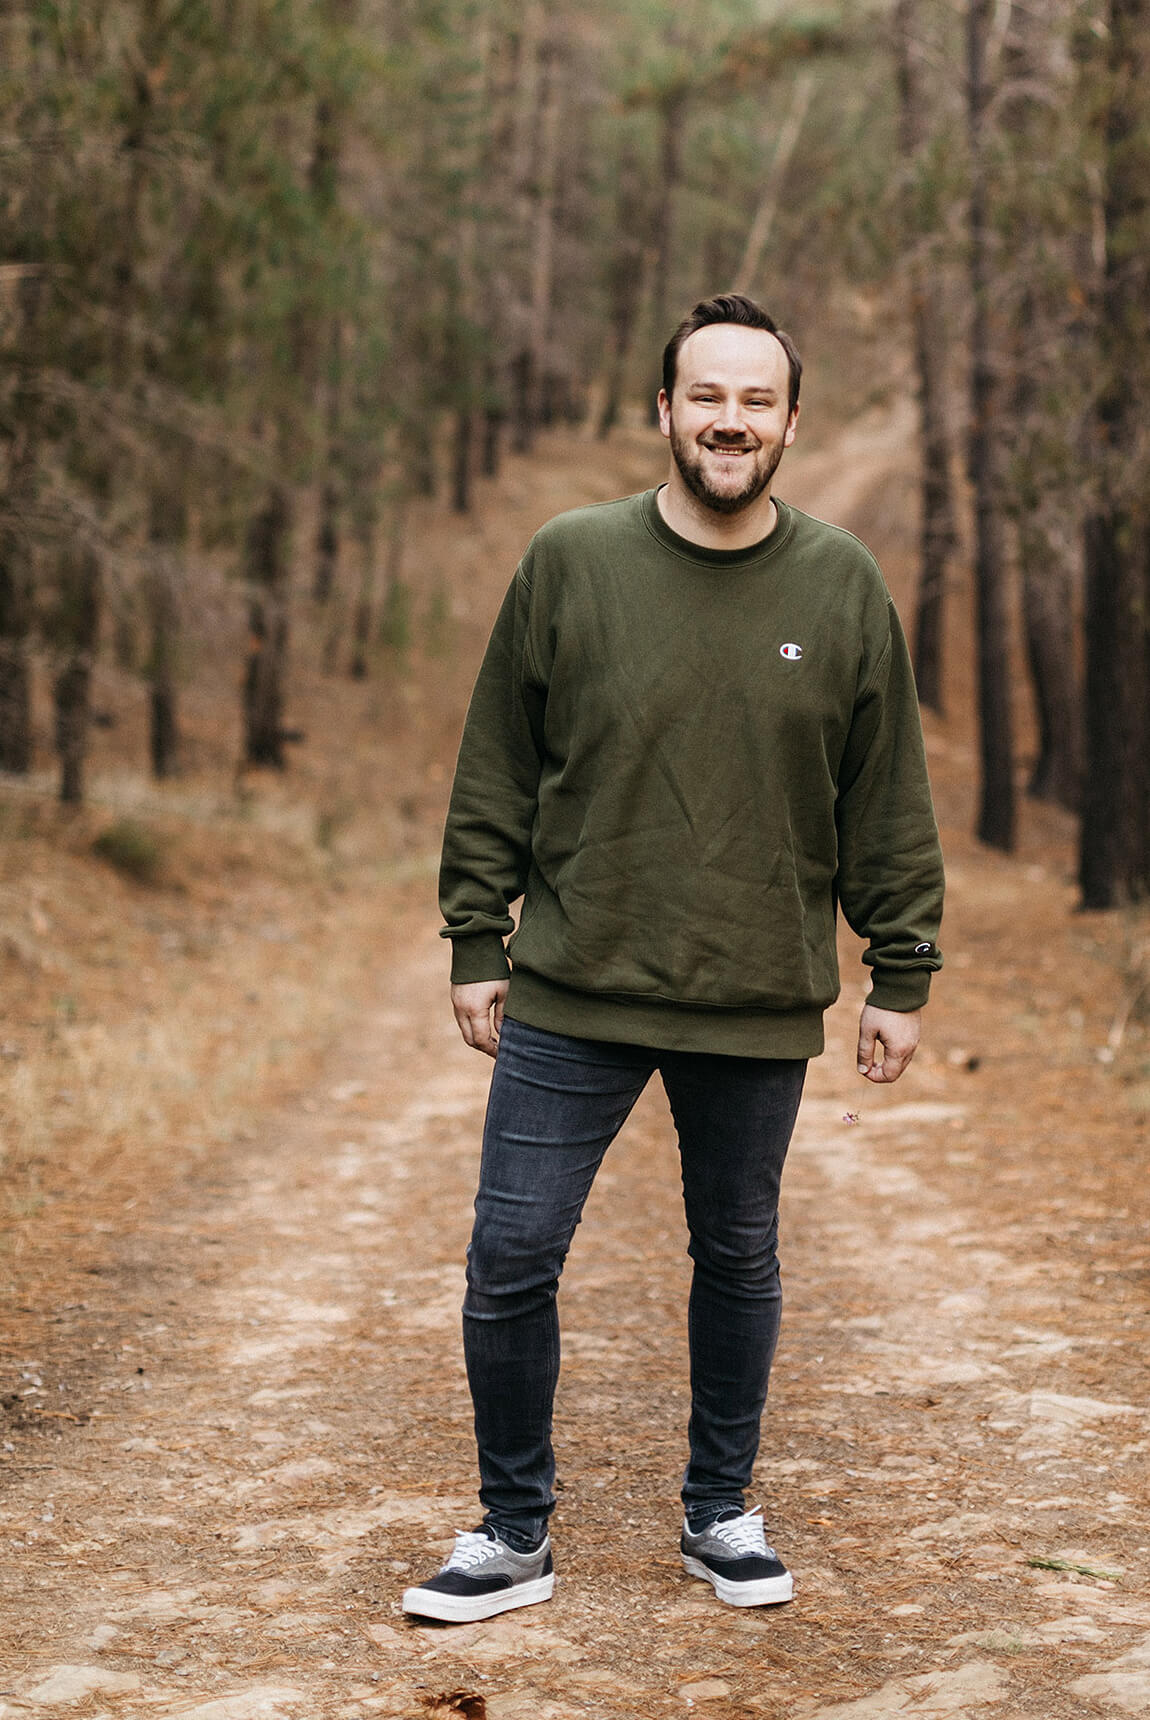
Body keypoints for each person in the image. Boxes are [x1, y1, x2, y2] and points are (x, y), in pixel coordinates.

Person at [402, 293, 944, 1624]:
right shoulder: (570, 561)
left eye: (755, 401)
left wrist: (902, 967)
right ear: (662, 411)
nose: (728, 420)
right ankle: (512, 1534)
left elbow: (884, 796)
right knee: (509, 1257)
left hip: (753, 995)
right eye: (706, 395)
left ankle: (720, 1514)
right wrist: (479, 934)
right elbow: (495, 768)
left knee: (738, 1257)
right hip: (572, 987)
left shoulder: (839, 584)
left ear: (790, 423)